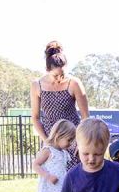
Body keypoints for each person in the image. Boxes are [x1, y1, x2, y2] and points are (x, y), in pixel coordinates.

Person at [30, 41, 89, 169]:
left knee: (74, 179)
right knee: (53, 178)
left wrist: (80, 142)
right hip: (50, 139)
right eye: (56, 75)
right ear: (47, 69)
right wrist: (46, 141)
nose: (59, 78)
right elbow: (35, 117)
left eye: (62, 74)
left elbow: (85, 117)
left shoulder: (74, 83)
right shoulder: (37, 85)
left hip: (72, 139)